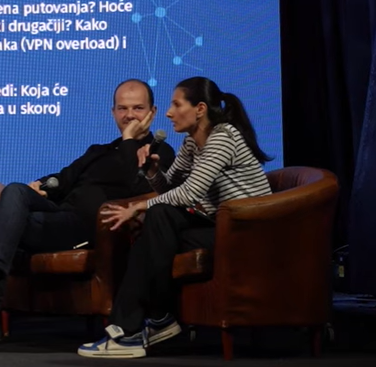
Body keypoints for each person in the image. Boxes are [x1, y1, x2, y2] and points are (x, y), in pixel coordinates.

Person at [0, 79, 174, 343]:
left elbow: (137, 181)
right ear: (113, 112)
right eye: (122, 108)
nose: (129, 115)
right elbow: (63, 178)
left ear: (152, 112)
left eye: (137, 108)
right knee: (14, 192)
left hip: (87, 229)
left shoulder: (159, 153)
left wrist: (130, 140)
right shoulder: (100, 151)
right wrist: (41, 186)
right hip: (58, 217)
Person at [77, 77, 273, 358]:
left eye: (176, 105)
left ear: (200, 109)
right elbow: (171, 189)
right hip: (218, 225)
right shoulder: (192, 142)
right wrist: (152, 171)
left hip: (245, 232)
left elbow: (190, 193)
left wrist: (137, 207)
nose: (169, 113)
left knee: (157, 218)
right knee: (159, 220)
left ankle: (136, 328)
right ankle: (154, 320)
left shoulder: (223, 137)